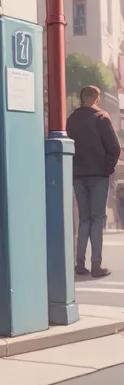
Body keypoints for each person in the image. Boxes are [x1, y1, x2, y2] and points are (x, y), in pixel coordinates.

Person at [66, 85, 121, 278]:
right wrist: (107, 168)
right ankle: (96, 265)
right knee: (97, 219)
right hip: (98, 176)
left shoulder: (72, 119)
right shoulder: (102, 118)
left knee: (84, 219)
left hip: (78, 176)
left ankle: (79, 264)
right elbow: (115, 148)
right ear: (97, 99)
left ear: (82, 98)